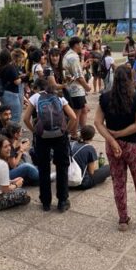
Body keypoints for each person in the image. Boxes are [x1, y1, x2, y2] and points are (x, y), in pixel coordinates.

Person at [95, 66, 136, 231]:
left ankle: (123, 220)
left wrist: (112, 139)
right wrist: (121, 134)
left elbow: (98, 122)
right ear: (130, 79)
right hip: (134, 145)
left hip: (113, 147)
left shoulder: (105, 98)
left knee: (118, 182)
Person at [23, 75, 79, 212]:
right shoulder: (59, 97)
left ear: (38, 88)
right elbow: (73, 117)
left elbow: (25, 119)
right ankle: (62, 201)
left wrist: (35, 131)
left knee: (43, 168)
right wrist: (66, 131)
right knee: (62, 167)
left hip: (42, 136)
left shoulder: (35, 97)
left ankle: (46, 202)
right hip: (60, 135)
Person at [70, 125, 111, 190]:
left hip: (66, 182)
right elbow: (91, 172)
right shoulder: (89, 149)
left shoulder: (71, 144)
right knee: (109, 167)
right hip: (81, 183)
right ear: (92, 137)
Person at [64, 37, 92, 127]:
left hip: (73, 89)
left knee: (84, 110)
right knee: (76, 114)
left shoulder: (69, 54)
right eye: (81, 44)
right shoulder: (73, 57)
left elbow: (75, 71)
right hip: (75, 90)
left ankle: (82, 130)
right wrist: (87, 87)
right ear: (76, 45)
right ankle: (73, 133)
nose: (82, 46)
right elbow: (79, 77)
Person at [0, 50, 24, 126]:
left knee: (7, 114)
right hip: (11, 94)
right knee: (15, 114)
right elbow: (16, 81)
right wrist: (21, 78)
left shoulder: (0, 67)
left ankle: (7, 129)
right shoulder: (10, 67)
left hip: (3, 94)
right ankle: (14, 130)